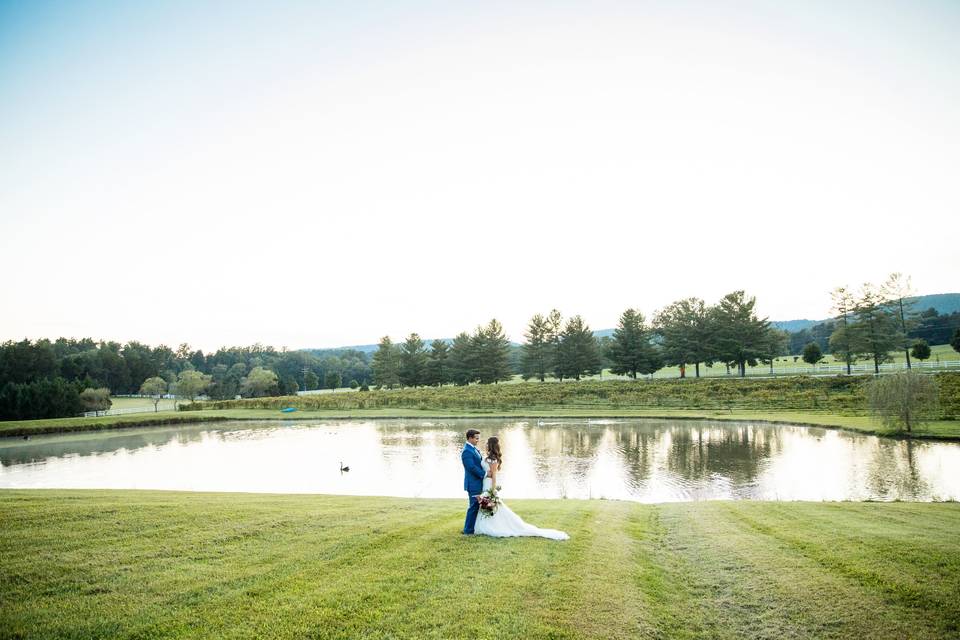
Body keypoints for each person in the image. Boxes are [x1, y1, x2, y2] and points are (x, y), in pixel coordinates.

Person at [473, 436, 569, 540]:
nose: (486, 445)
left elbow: (494, 477)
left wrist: (492, 491)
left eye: (487, 443)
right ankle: (487, 524)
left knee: (491, 504)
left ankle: (493, 526)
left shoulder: (493, 460)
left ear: (490, 445)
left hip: (489, 484)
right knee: (487, 505)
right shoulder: (487, 458)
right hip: (485, 483)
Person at [461, 429, 485, 535]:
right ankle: (468, 530)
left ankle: (472, 528)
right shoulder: (467, 451)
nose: (478, 440)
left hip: (477, 482)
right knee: (473, 506)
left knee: (476, 506)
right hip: (473, 483)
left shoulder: (473, 449)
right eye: (476, 438)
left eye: (478, 438)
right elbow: (471, 467)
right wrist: (484, 474)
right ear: (470, 438)